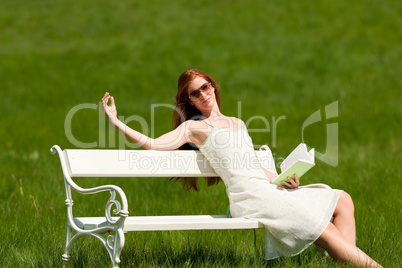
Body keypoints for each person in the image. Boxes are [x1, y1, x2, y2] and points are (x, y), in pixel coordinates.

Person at [101, 69, 382, 267]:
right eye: (195, 93)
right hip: (249, 198)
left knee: (342, 199)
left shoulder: (238, 123)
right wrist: (116, 120)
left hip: (268, 189)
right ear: (189, 101)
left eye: (205, 87)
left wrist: (284, 180)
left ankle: (347, 261)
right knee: (324, 229)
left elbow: (256, 166)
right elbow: (152, 144)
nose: (202, 94)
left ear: (213, 87)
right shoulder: (194, 128)